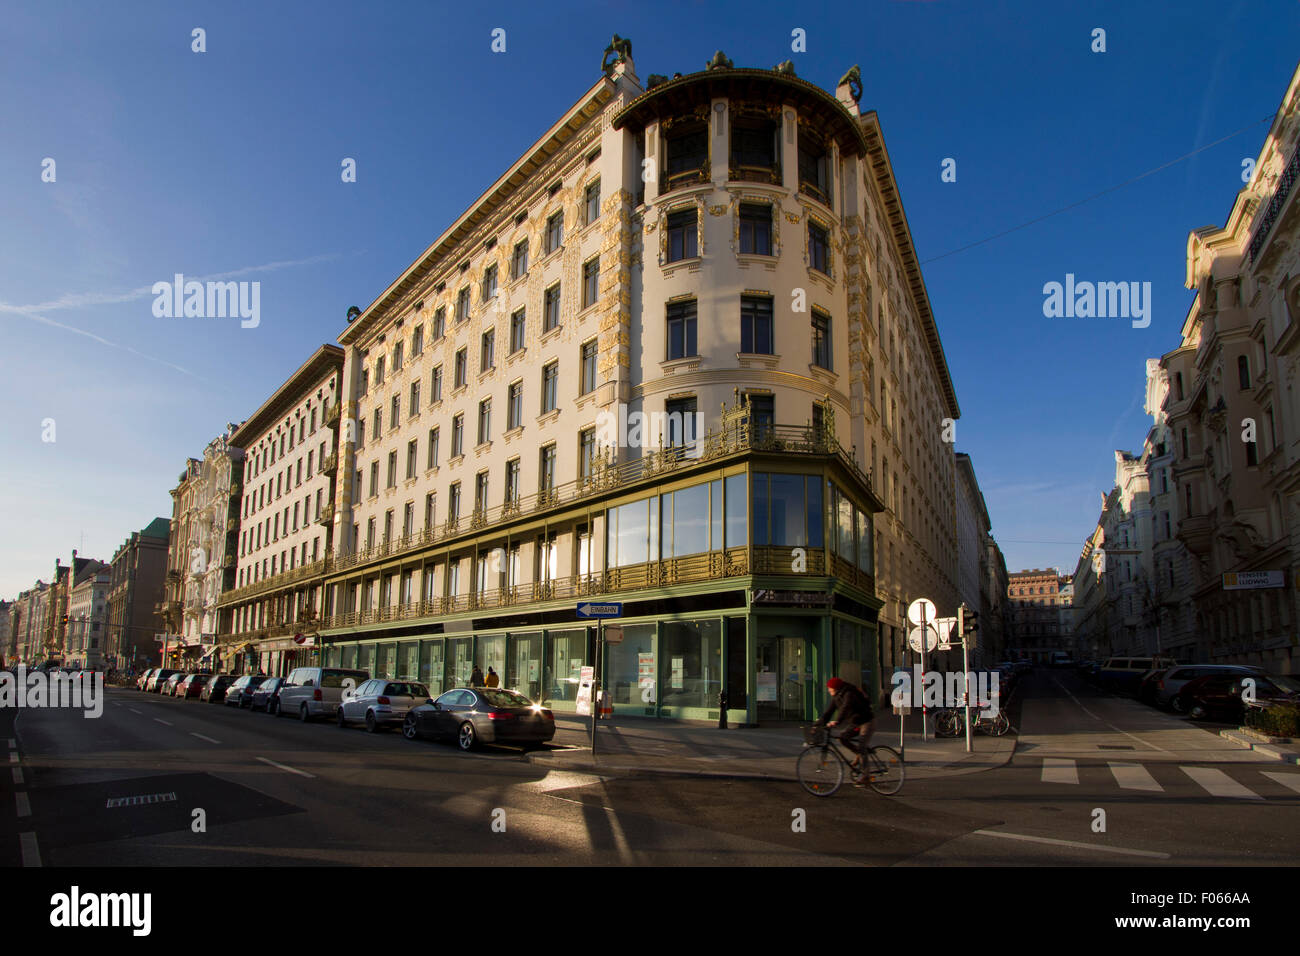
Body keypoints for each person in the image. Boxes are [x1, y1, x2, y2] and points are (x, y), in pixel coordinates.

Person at [817, 677, 875, 781]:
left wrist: (837, 721)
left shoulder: (849, 693)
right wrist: (818, 723)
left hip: (867, 721)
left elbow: (845, 707)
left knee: (862, 746)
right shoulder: (837, 696)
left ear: (836, 688)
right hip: (855, 723)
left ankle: (865, 775)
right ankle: (858, 754)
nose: (828, 690)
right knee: (843, 738)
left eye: (830, 688)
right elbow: (829, 711)